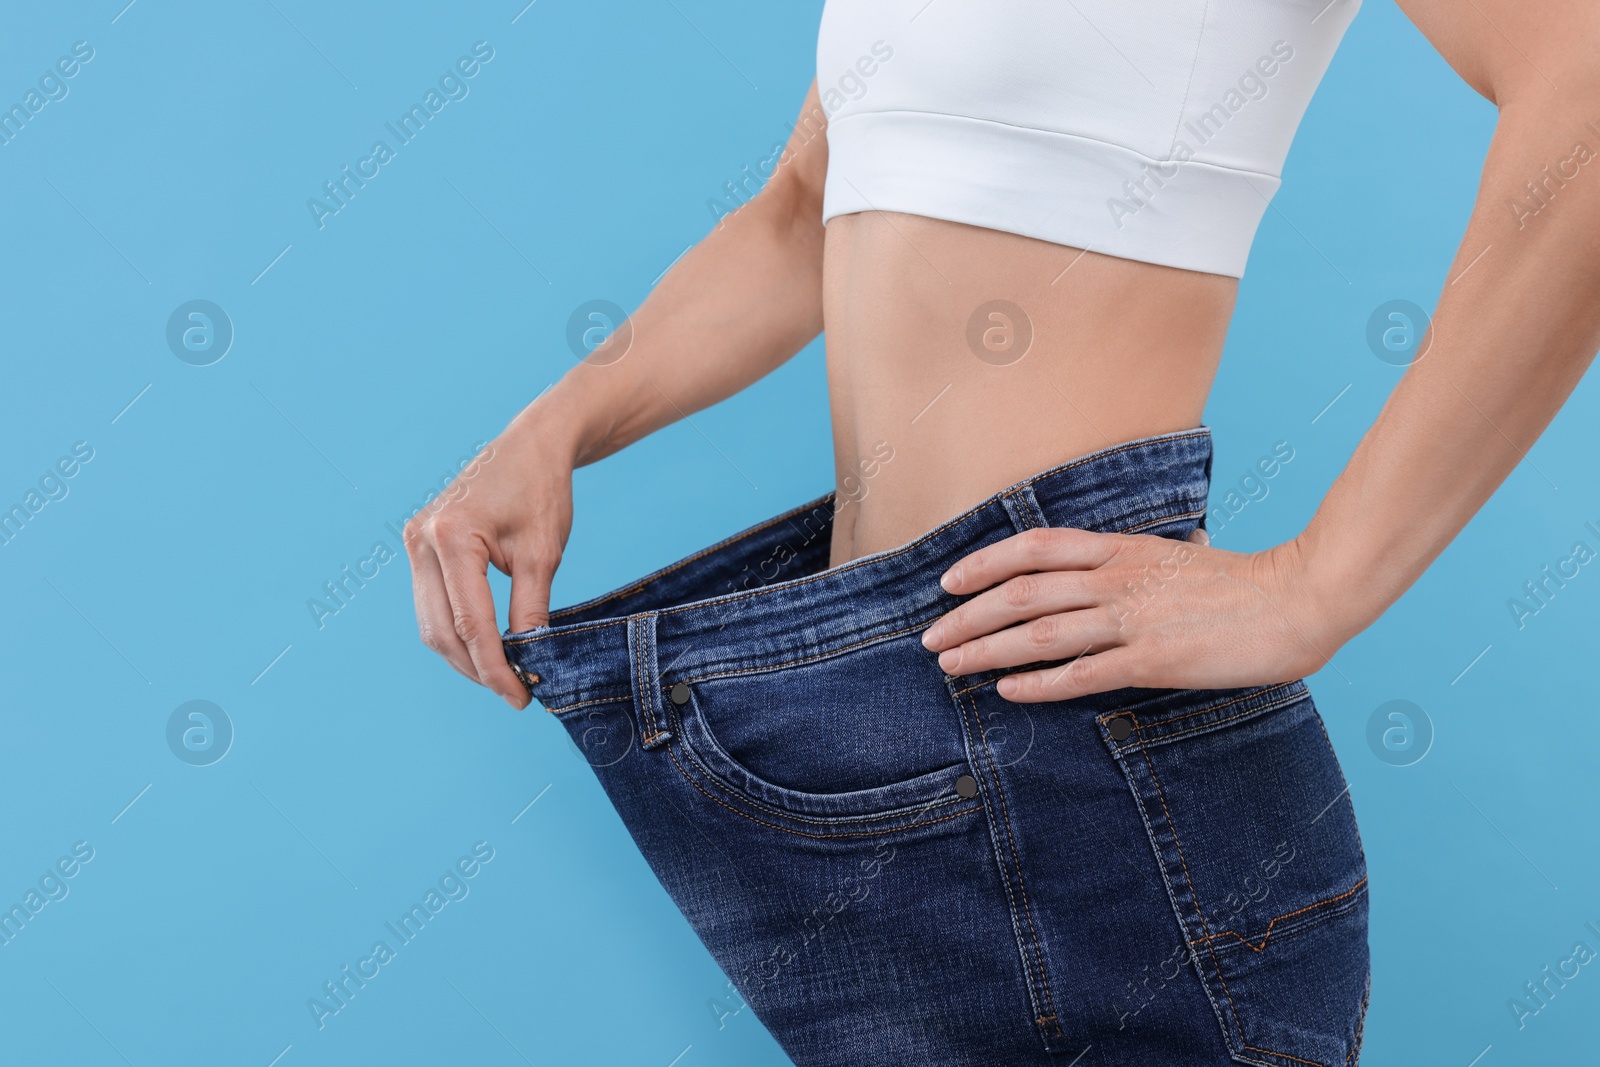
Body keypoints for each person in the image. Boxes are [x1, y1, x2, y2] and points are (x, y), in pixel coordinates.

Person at [404, 2, 1600, 1063]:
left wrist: (1318, 583)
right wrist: (557, 423)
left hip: (1081, 761)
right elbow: (800, 212)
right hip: (875, 721)